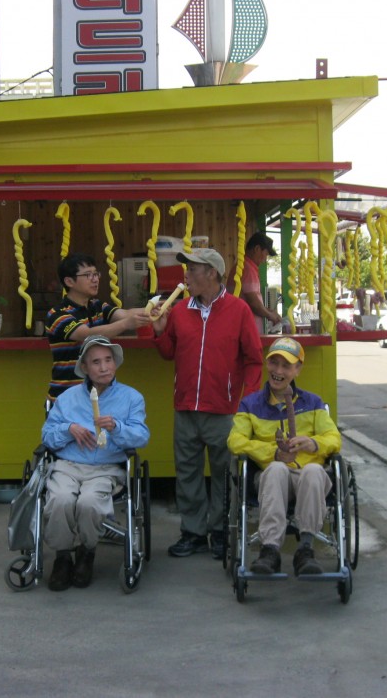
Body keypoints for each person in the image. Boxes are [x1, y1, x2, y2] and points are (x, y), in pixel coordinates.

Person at [150, 248, 263, 559]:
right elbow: (168, 353)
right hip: (185, 406)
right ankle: (193, 533)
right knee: (187, 474)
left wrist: (248, 403)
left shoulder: (238, 310)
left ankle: (222, 531)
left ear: (211, 273)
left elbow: (254, 360)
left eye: (192, 269)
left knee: (226, 475)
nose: (186, 275)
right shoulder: (179, 310)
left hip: (224, 410)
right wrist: (159, 332)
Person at [40, 335, 150, 591]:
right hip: (68, 465)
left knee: (89, 502)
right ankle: (62, 556)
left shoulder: (132, 398)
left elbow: (142, 437)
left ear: (115, 363)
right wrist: (69, 429)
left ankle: (86, 551)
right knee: (60, 499)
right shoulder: (67, 398)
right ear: (85, 368)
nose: (104, 367)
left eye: (108, 360)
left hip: (106, 468)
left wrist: (117, 427)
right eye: (96, 362)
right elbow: (47, 436)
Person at [227, 337, 342, 576]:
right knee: (276, 469)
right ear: (267, 364)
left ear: (297, 369)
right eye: (274, 363)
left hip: (307, 474)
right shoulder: (250, 404)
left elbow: (334, 438)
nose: (278, 371)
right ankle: (270, 550)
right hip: (270, 476)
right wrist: (273, 452)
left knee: (313, 471)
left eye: (286, 366)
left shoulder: (313, 402)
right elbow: (235, 441)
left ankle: (306, 549)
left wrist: (313, 443)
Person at [44, 252, 151, 405]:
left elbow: (125, 314)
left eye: (96, 274)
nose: (95, 279)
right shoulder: (57, 314)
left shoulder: (97, 305)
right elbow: (86, 334)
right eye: (88, 275)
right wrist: (126, 324)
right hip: (66, 398)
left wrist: (152, 309)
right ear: (69, 281)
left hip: (97, 397)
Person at [238, 231, 284, 333]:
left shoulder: (243, 266)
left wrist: (269, 311)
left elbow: (251, 301)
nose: (264, 260)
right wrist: (270, 315)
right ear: (257, 249)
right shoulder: (247, 269)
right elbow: (253, 303)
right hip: (246, 331)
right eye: (266, 254)